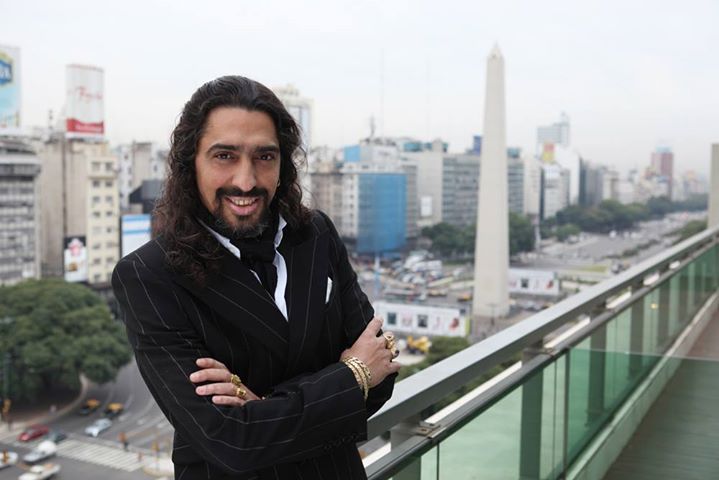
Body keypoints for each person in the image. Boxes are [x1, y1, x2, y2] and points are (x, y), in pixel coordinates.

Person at [112, 75, 400, 479]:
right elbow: (231, 442)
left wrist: (263, 409)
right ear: (190, 163)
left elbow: (382, 372)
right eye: (224, 156)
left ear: (283, 164)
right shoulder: (149, 275)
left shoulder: (316, 234)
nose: (245, 181)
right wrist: (353, 374)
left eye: (264, 156)